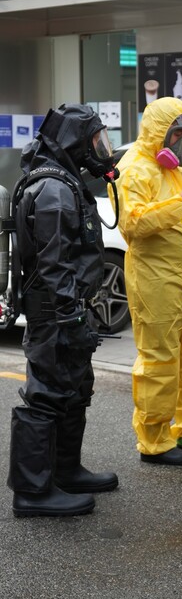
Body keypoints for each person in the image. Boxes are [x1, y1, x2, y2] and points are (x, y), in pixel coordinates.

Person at [8, 104, 119, 517]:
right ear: (74, 140)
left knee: (74, 388)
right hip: (55, 310)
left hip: (64, 306)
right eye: (95, 141)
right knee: (46, 395)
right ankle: (33, 492)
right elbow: (55, 266)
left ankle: (65, 470)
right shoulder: (54, 191)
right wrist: (70, 317)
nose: (101, 150)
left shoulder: (60, 181)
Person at [115, 97, 182, 465]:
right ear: (157, 132)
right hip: (153, 278)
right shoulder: (134, 170)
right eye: (176, 132)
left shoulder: (178, 171)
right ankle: (155, 440)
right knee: (159, 361)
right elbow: (133, 225)